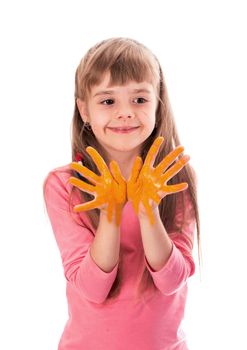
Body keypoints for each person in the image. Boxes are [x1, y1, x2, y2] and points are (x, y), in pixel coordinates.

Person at [43, 37, 201, 350]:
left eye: (140, 100)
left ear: (158, 104)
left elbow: (172, 281)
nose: (126, 113)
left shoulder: (175, 179)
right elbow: (92, 288)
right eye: (108, 101)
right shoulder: (63, 185)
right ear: (84, 110)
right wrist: (111, 216)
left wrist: (148, 213)